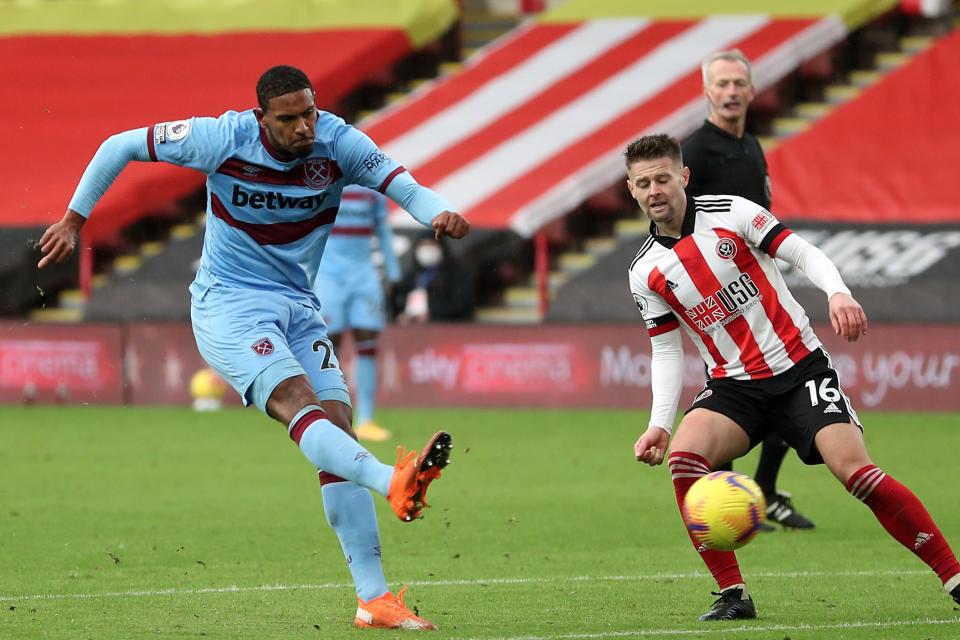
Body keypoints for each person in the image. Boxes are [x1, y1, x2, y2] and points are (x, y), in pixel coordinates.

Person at [37, 65, 470, 631]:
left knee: (339, 431)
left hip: (297, 306)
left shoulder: (338, 143)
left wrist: (434, 211)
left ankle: (374, 601)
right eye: (288, 119)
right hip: (229, 305)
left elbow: (401, 182)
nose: (303, 128)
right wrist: (75, 219)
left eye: (309, 113)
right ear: (262, 117)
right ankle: (393, 480)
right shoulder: (221, 137)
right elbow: (118, 145)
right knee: (299, 403)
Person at [625, 134, 960, 621]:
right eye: (643, 183)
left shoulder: (733, 212)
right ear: (631, 190)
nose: (654, 189)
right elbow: (664, 349)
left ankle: (954, 576)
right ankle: (732, 593)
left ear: (683, 177)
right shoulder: (645, 270)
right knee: (684, 459)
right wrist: (659, 422)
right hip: (733, 388)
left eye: (662, 178)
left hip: (799, 369)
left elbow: (802, 253)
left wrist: (838, 293)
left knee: (857, 474)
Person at [681, 49, 814, 531]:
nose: (732, 92)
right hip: (720, 297)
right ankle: (731, 505)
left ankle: (767, 493)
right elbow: (677, 221)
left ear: (753, 90)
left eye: (739, 83)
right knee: (733, 392)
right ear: (707, 92)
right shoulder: (694, 151)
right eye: (722, 84)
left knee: (789, 377)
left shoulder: (750, 146)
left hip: (762, 289)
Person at [314, 185, 400, 443]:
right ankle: (331, 416)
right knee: (330, 346)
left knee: (367, 340)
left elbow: (383, 231)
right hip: (329, 276)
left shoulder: (371, 190)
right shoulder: (324, 182)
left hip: (364, 275)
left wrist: (393, 273)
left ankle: (367, 419)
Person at [397, 235, 474, 324]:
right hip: (417, 331)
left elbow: (460, 304)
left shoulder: (456, 273)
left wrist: (432, 313)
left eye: (431, 245)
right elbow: (400, 300)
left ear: (441, 248)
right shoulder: (412, 275)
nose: (427, 250)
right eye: (423, 245)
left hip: (449, 328)